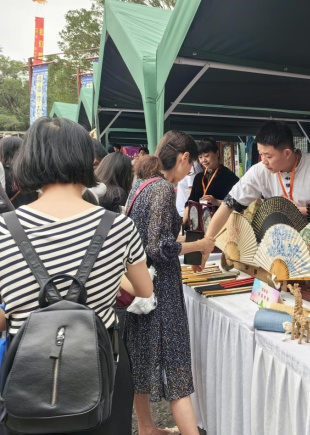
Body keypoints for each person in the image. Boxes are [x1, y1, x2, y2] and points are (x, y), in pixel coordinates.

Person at [0, 117, 153, 435]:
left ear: (30, 160)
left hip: (26, 369)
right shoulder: (118, 226)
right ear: (87, 160)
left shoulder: (3, 229)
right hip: (101, 364)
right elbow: (144, 289)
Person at [124, 131, 215, 435]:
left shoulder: (140, 184)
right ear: (184, 157)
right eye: (189, 167)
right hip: (160, 290)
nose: (188, 174)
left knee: (141, 363)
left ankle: (147, 428)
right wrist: (198, 245)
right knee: (176, 370)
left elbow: (146, 241)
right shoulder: (162, 189)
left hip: (140, 289)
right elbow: (158, 248)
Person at [203, 121, 310, 263]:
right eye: (261, 154)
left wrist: (300, 211)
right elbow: (228, 205)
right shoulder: (259, 171)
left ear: (287, 153)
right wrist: (205, 245)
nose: (264, 161)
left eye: (269, 156)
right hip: (276, 250)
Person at [183, 137, 239, 225]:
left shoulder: (229, 177)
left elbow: (237, 204)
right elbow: (190, 203)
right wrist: (183, 224)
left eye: (207, 156)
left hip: (221, 226)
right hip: (199, 226)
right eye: (200, 157)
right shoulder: (199, 177)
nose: (203, 160)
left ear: (217, 153)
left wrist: (216, 202)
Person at [0, 136, 37, 208]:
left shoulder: (2, 173)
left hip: (8, 216)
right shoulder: (33, 173)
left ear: (3, 152)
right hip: (31, 213)